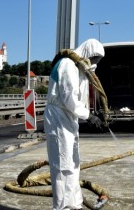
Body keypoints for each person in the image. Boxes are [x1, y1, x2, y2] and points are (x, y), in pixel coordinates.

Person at [44, 38, 105, 210]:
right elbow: (69, 98)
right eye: (94, 59)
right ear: (86, 52)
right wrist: (89, 116)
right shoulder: (68, 65)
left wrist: (95, 114)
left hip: (68, 118)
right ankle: (63, 207)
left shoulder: (80, 69)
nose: (94, 63)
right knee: (62, 166)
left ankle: (75, 204)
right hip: (58, 117)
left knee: (73, 164)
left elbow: (80, 98)